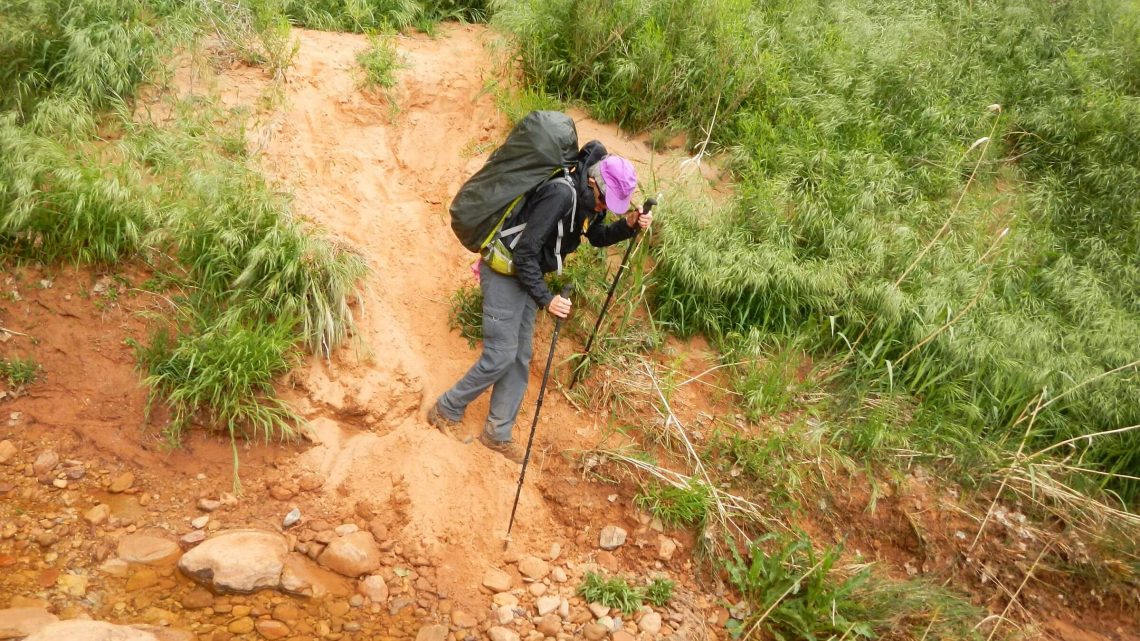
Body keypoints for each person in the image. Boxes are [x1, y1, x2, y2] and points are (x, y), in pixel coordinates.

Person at [428, 141, 653, 462]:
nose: (605, 207)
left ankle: (497, 433)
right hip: (504, 270)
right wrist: (547, 299)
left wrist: (628, 225)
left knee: (520, 356)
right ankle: (445, 409)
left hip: (525, 274)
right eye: (606, 201)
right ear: (594, 182)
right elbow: (524, 253)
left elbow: (597, 236)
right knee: (500, 355)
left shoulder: (588, 199)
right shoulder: (562, 194)